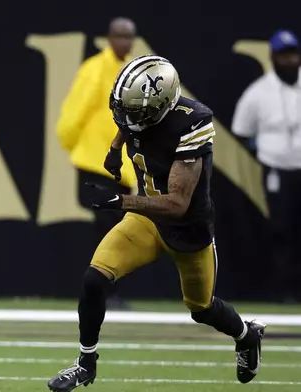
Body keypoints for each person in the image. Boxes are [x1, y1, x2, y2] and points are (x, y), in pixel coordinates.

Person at [47, 55, 265, 392]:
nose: (124, 117)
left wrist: (121, 201)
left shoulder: (194, 124)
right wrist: (116, 147)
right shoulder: (139, 112)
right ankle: (85, 365)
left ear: (158, 109)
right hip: (146, 220)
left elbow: (177, 204)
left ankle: (247, 336)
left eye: (133, 113)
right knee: (94, 280)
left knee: (202, 308)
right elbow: (127, 119)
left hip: (186, 231)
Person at [57, 17, 137, 309]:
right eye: (119, 36)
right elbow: (73, 113)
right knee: (107, 228)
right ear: (109, 38)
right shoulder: (95, 69)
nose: (124, 42)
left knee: (115, 230)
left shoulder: (130, 72)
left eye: (129, 37)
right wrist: (75, 147)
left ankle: (104, 291)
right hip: (95, 163)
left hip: (121, 168)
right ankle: (102, 293)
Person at [232, 29, 301, 302]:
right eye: (283, 56)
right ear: (272, 58)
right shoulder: (258, 92)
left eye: (293, 54)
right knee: (282, 229)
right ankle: (286, 291)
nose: (289, 61)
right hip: (276, 169)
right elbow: (241, 129)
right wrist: (262, 151)